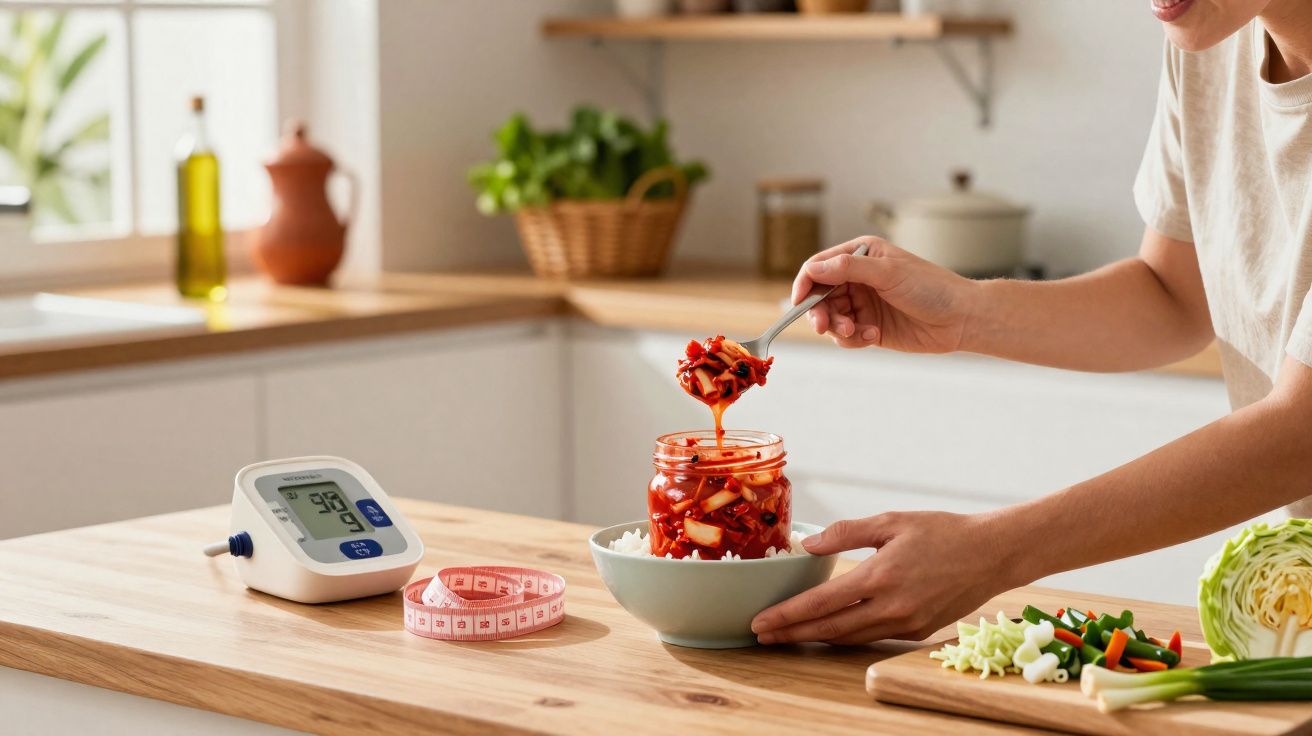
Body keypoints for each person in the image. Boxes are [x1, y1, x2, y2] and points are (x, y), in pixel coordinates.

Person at [750, 0, 1312, 646]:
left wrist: (995, 551)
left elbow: (1302, 432)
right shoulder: (1213, 39)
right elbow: (1174, 297)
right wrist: (962, 310)